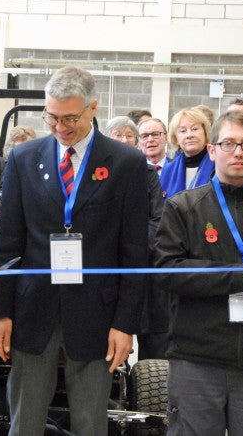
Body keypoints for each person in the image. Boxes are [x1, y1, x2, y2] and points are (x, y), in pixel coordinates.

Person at [0, 65, 148, 435]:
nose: (60, 126)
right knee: (24, 418)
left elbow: (135, 252)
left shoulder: (127, 163)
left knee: (91, 422)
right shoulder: (24, 158)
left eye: (70, 118)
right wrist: (1, 312)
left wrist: (125, 324)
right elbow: (9, 243)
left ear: (93, 108)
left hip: (98, 313)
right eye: (52, 117)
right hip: (33, 309)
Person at [154, 110, 243, 436]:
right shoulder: (183, 207)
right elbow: (166, 271)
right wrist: (237, 276)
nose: (238, 152)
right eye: (228, 143)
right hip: (196, 361)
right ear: (212, 150)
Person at [104, 116, 167, 360]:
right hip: (107, 269)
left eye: (130, 135)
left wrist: (133, 248)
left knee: (154, 344)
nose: (125, 139)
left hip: (143, 266)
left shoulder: (148, 173)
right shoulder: (99, 173)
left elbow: (157, 220)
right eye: (118, 134)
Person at [160, 108, 214, 201]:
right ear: (176, 139)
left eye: (194, 129)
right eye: (183, 131)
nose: (189, 135)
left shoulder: (218, 165)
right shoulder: (168, 169)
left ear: (205, 133)